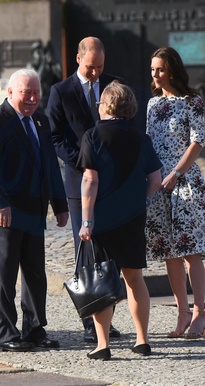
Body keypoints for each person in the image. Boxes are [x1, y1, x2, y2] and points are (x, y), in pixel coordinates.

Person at [0, 68, 69, 352]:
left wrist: (60, 205)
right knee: (6, 273)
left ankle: (35, 329)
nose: (32, 98)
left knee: (36, 273)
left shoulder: (40, 121)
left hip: (34, 209)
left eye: (36, 93)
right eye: (26, 93)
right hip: (5, 211)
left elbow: (51, 165)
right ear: (11, 92)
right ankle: (4, 333)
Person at [77, 81, 163, 360]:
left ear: (106, 106)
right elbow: (156, 179)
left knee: (102, 280)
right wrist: (141, 201)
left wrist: (86, 221)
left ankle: (103, 345)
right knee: (135, 279)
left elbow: (90, 181)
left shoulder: (92, 136)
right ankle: (142, 340)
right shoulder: (141, 138)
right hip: (133, 218)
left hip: (103, 220)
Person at [46, 36, 123, 343]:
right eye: (91, 67)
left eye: (100, 67)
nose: (95, 73)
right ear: (78, 59)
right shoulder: (61, 91)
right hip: (79, 182)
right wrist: (84, 160)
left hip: (112, 183)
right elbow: (54, 137)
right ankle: (90, 322)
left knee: (111, 252)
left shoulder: (114, 86)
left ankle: (107, 319)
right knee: (87, 249)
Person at [145, 47, 205, 340]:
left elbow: (197, 142)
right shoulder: (152, 104)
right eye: (153, 69)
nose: (155, 74)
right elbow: (149, 143)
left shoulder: (192, 101)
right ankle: (182, 313)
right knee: (169, 252)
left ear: (172, 70)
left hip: (185, 180)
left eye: (160, 69)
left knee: (190, 250)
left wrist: (176, 173)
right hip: (158, 183)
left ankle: (200, 313)